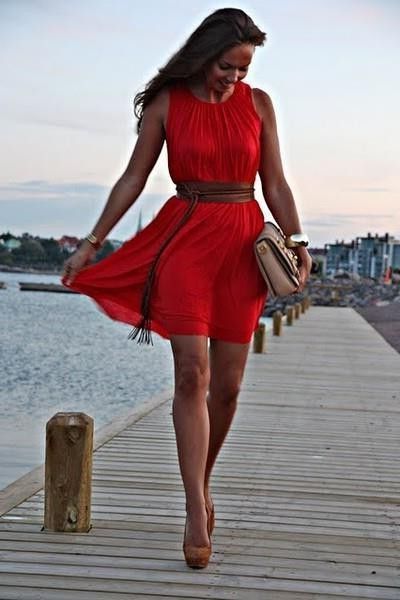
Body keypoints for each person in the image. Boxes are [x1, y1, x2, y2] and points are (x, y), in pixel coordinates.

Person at [61, 7, 312, 569]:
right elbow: (133, 177)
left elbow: (273, 180)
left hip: (243, 244)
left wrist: (296, 239)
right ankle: (196, 508)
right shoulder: (168, 103)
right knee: (191, 372)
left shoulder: (260, 105)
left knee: (227, 387)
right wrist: (92, 243)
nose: (235, 79)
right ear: (205, 55)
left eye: (244, 70)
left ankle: (203, 480)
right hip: (186, 240)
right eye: (228, 66)